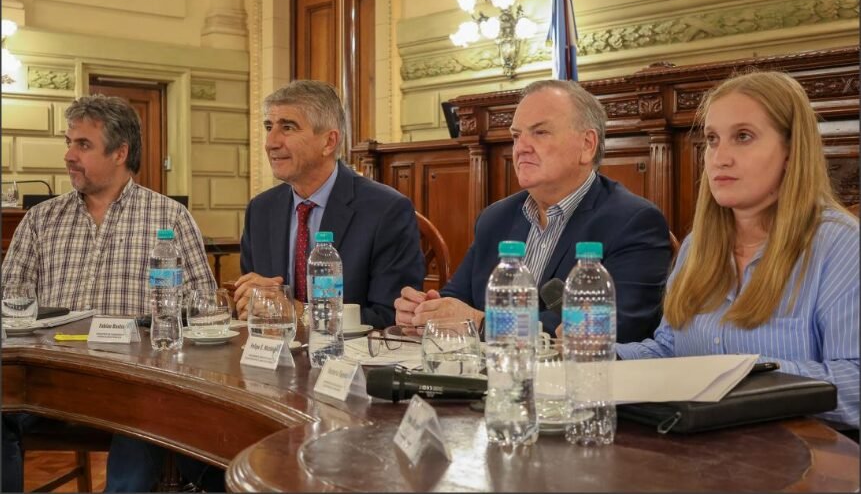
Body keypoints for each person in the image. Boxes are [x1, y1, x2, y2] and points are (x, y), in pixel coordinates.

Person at [615, 71, 859, 431]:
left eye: (743, 137)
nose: (719, 157)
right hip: (696, 453)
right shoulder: (697, 244)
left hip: (803, 461)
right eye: (713, 140)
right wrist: (600, 356)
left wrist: (739, 372)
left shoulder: (840, 244)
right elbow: (669, 351)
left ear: (791, 152)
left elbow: (854, 384)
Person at [1, 94, 221, 493]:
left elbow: (202, 310)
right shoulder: (40, 219)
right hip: (48, 384)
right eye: (68, 142)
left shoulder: (168, 218)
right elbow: (9, 302)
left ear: (120, 152)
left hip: (131, 386)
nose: (69, 155)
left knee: (146, 424)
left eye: (82, 145)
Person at [396, 79, 672, 342]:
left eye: (540, 132)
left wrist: (481, 324)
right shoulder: (496, 218)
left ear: (587, 145)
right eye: (516, 136)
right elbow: (457, 299)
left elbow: (618, 326)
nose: (521, 148)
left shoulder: (633, 221)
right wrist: (427, 312)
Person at [235, 80, 425, 329]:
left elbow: (391, 317)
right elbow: (253, 304)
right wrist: (249, 301)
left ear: (329, 142)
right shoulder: (261, 210)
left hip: (350, 361)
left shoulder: (386, 210)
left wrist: (301, 313)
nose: (271, 142)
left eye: (288, 127)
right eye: (269, 127)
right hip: (273, 357)